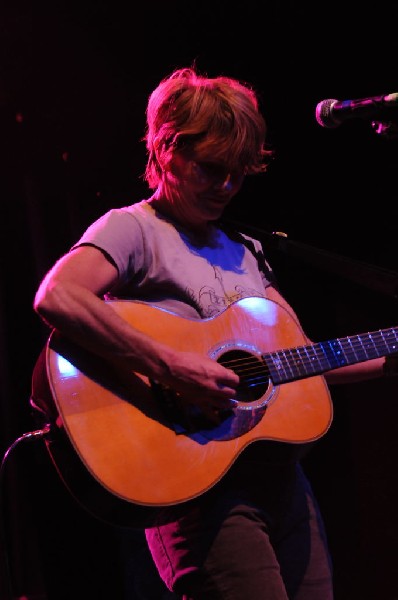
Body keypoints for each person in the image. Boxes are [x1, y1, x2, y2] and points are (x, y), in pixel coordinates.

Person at [32, 66, 397, 600]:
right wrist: (171, 365)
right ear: (165, 149)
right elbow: (58, 296)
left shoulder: (244, 249)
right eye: (210, 168)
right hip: (196, 484)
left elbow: (293, 363)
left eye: (238, 173)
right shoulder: (133, 228)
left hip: (279, 481)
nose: (225, 186)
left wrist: (391, 356)